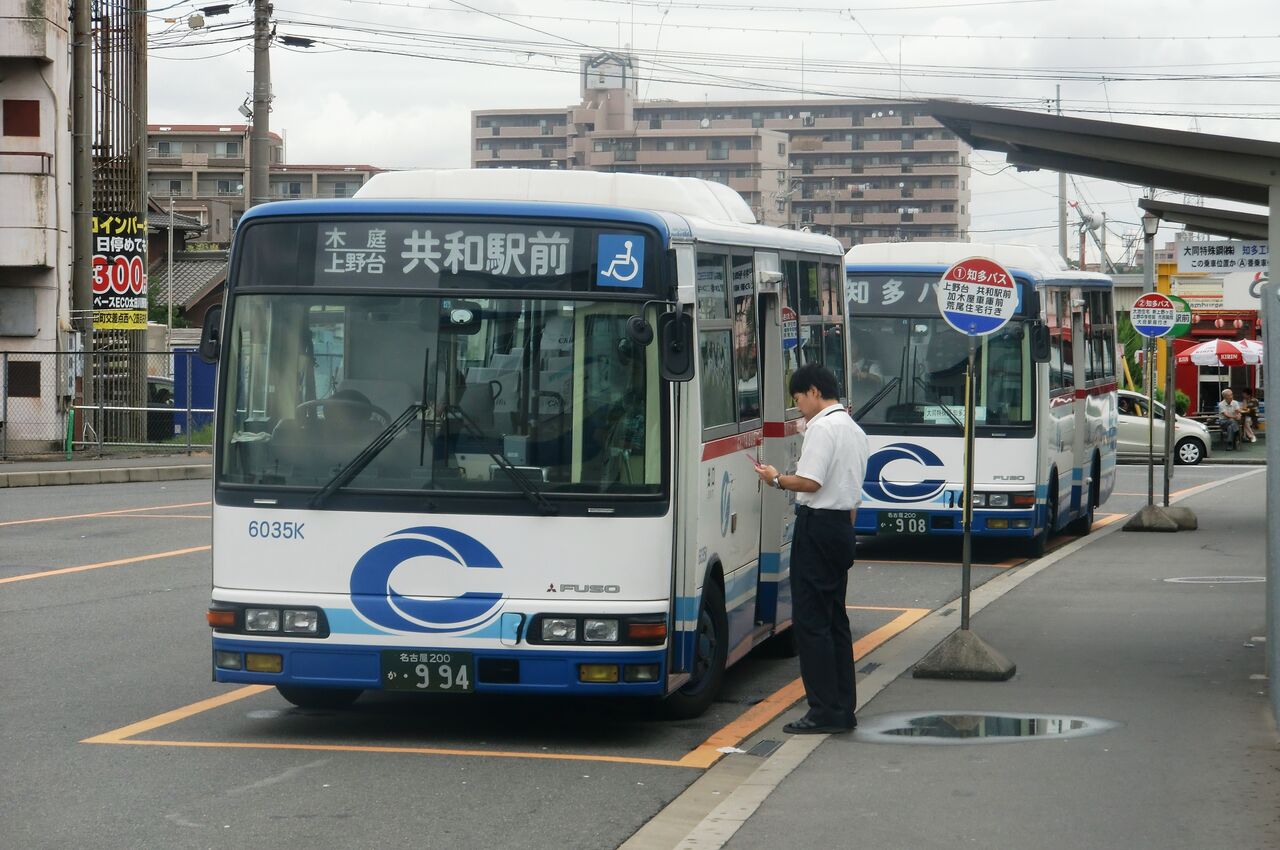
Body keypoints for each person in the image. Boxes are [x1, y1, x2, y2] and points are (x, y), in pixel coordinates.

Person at [755, 364, 870, 734]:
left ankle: (822, 710)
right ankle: (842, 707)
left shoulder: (822, 428)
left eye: (799, 398)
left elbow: (809, 481)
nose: (799, 406)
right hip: (841, 528)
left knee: (811, 623)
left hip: (819, 527)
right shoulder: (853, 428)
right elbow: (850, 491)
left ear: (815, 391)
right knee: (835, 619)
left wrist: (774, 479)